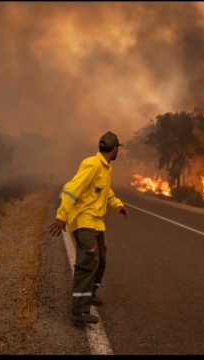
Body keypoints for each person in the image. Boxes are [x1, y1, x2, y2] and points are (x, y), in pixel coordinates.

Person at [48, 131, 128, 324]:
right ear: (115, 148)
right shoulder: (91, 164)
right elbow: (71, 189)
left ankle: (90, 293)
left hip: (96, 221)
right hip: (84, 221)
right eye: (118, 148)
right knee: (86, 262)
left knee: (100, 260)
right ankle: (79, 311)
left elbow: (105, 192)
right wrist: (61, 216)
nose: (118, 151)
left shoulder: (105, 167)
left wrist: (117, 205)